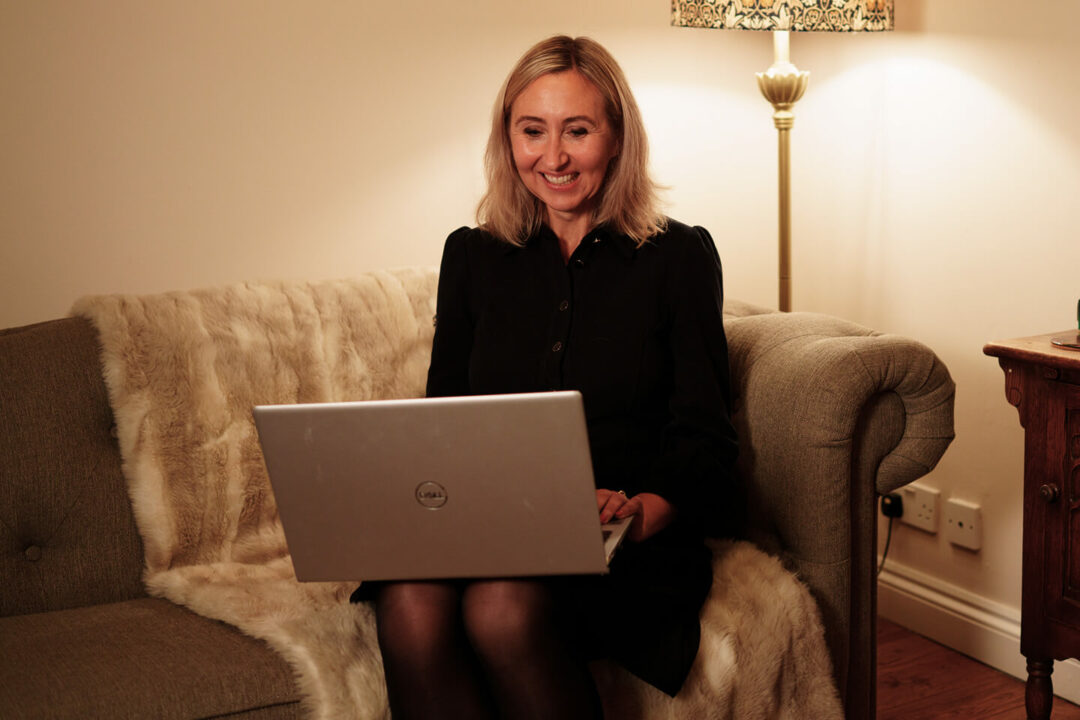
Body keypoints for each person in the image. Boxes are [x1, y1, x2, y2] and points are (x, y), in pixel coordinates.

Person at [362, 35, 741, 719]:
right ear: (507, 139)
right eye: (531, 131)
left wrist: (638, 509)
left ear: (617, 138)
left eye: (578, 131)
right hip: (490, 523)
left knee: (499, 607)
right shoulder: (472, 257)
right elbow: (444, 421)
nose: (554, 157)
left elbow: (705, 438)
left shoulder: (679, 256)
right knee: (410, 603)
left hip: (622, 543)